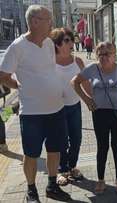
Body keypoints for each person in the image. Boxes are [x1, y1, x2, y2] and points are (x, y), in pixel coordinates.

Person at [0, 5, 70, 203]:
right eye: (48, 19)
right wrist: (18, 85)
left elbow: (48, 70)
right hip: (32, 113)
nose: (52, 23)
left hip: (56, 108)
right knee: (31, 154)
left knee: (54, 149)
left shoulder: (48, 43)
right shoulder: (17, 46)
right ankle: (31, 191)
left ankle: (52, 185)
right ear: (34, 22)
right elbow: (3, 75)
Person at [71, 41, 117, 194]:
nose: (104, 57)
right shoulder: (92, 69)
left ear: (114, 55)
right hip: (99, 114)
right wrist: (87, 100)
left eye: (108, 54)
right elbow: (74, 82)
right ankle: (101, 180)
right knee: (102, 147)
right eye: (101, 54)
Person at [49, 28, 91, 186]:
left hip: (74, 106)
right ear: (57, 44)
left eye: (71, 40)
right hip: (56, 108)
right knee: (61, 141)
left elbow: (85, 82)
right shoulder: (50, 62)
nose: (71, 43)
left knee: (77, 139)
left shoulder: (77, 61)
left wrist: (92, 99)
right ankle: (62, 170)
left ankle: (72, 167)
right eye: (67, 40)